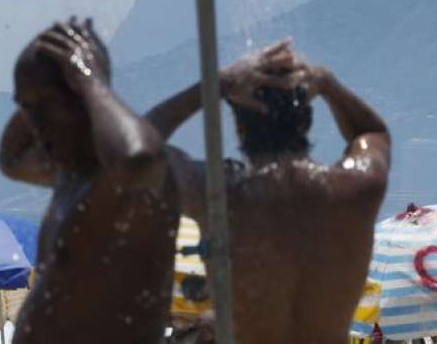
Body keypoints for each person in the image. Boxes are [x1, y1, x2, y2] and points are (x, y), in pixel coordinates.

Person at [160, 39, 391, 343]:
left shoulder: (218, 194)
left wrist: (216, 85)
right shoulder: (353, 191)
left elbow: (135, 153)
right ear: (307, 119)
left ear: (239, 129)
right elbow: (372, 133)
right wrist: (326, 82)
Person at [0, 19, 180, 343]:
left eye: (46, 106)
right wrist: (38, 85)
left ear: (83, 102)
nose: (34, 125)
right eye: (27, 108)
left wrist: (92, 81)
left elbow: (139, 155)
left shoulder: (121, 188)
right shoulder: (69, 177)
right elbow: (10, 159)